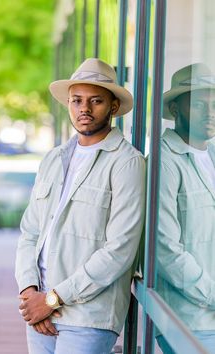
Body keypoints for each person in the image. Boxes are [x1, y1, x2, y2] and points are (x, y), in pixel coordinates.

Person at [15, 58, 146, 354]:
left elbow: (120, 250)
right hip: (40, 312)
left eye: (96, 101)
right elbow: (30, 232)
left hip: (89, 316)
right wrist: (29, 292)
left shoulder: (126, 162)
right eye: (77, 100)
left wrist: (51, 300)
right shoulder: (53, 159)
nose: (84, 109)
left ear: (113, 107)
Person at [156, 63, 215, 354]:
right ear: (176, 109)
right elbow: (164, 249)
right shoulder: (164, 162)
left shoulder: (213, 155)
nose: (211, 112)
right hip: (188, 322)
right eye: (199, 104)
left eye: (214, 103)